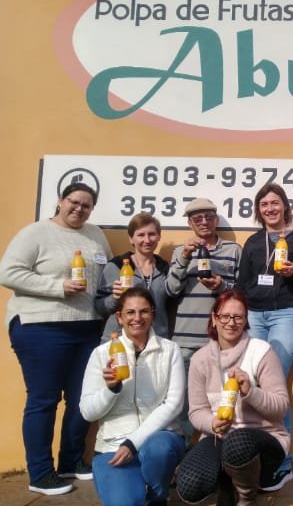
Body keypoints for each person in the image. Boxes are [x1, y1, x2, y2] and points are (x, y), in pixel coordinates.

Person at [0, 182, 112, 495]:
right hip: (41, 327)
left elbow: (105, 275)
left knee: (81, 400)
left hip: (87, 327)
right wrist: (57, 287)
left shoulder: (95, 234)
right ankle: (39, 473)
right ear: (60, 201)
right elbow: (7, 272)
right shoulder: (35, 232)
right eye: (74, 202)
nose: (79, 209)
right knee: (43, 400)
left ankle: (71, 461)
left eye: (86, 205)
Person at [238, 183, 293, 490]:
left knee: (272, 386)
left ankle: (281, 465)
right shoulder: (252, 242)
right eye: (264, 204)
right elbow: (243, 282)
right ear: (258, 210)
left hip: (288, 313)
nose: (270, 208)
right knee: (254, 387)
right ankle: (255, 459)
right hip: (255, 317)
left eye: (275, 203)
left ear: (285, 206)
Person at [175, 290, 289, 505]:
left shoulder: (261, 351)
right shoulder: (200, 360)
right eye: (224, 316)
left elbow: (281, 406)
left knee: (238, 442)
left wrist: (251, 392)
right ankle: (228, 485)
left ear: (246, 320)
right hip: (220, 438)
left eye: (238, 317)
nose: (231, 323)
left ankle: (246, 497)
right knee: (190, 484)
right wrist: (211, 423)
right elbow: (196, 411)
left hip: (263, 440)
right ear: (214, 318)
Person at [80, 288, 185, 506]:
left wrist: (133, 443)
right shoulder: (101, 354)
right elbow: (88, 411)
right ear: (119, 317)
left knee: (160, 448)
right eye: (130, 312)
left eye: (144, 312)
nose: (137, 318)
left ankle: (158, 496)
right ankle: (135, 487)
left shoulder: (170, 350)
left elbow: (174, 404)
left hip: (158, 438)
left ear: (153, 314)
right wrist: (111, 389)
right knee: (124, 503)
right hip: (113, 445)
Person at [165, 197, 243, 440]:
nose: (204, 222)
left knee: (224, 403)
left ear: (216, 219)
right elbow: (170, 290)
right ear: (190, 223)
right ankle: (183, 460)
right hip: (185, 341)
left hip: (221, 344)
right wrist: (185, 257)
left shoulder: (233, 250)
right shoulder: (180, 251)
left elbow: (241, 293)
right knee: (185, 405)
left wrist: (222, 286)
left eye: (209, 216)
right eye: (197, 218)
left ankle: (217, 458)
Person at [95, 213, 171, 341]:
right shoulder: (116, 266)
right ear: (131, 239)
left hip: (156, 342)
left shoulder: (166, 269)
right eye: (140, 235)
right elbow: (99, 307)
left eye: (151, 234)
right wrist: (115, 298)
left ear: (159, 236)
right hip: (119, 341)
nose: (147, 240)